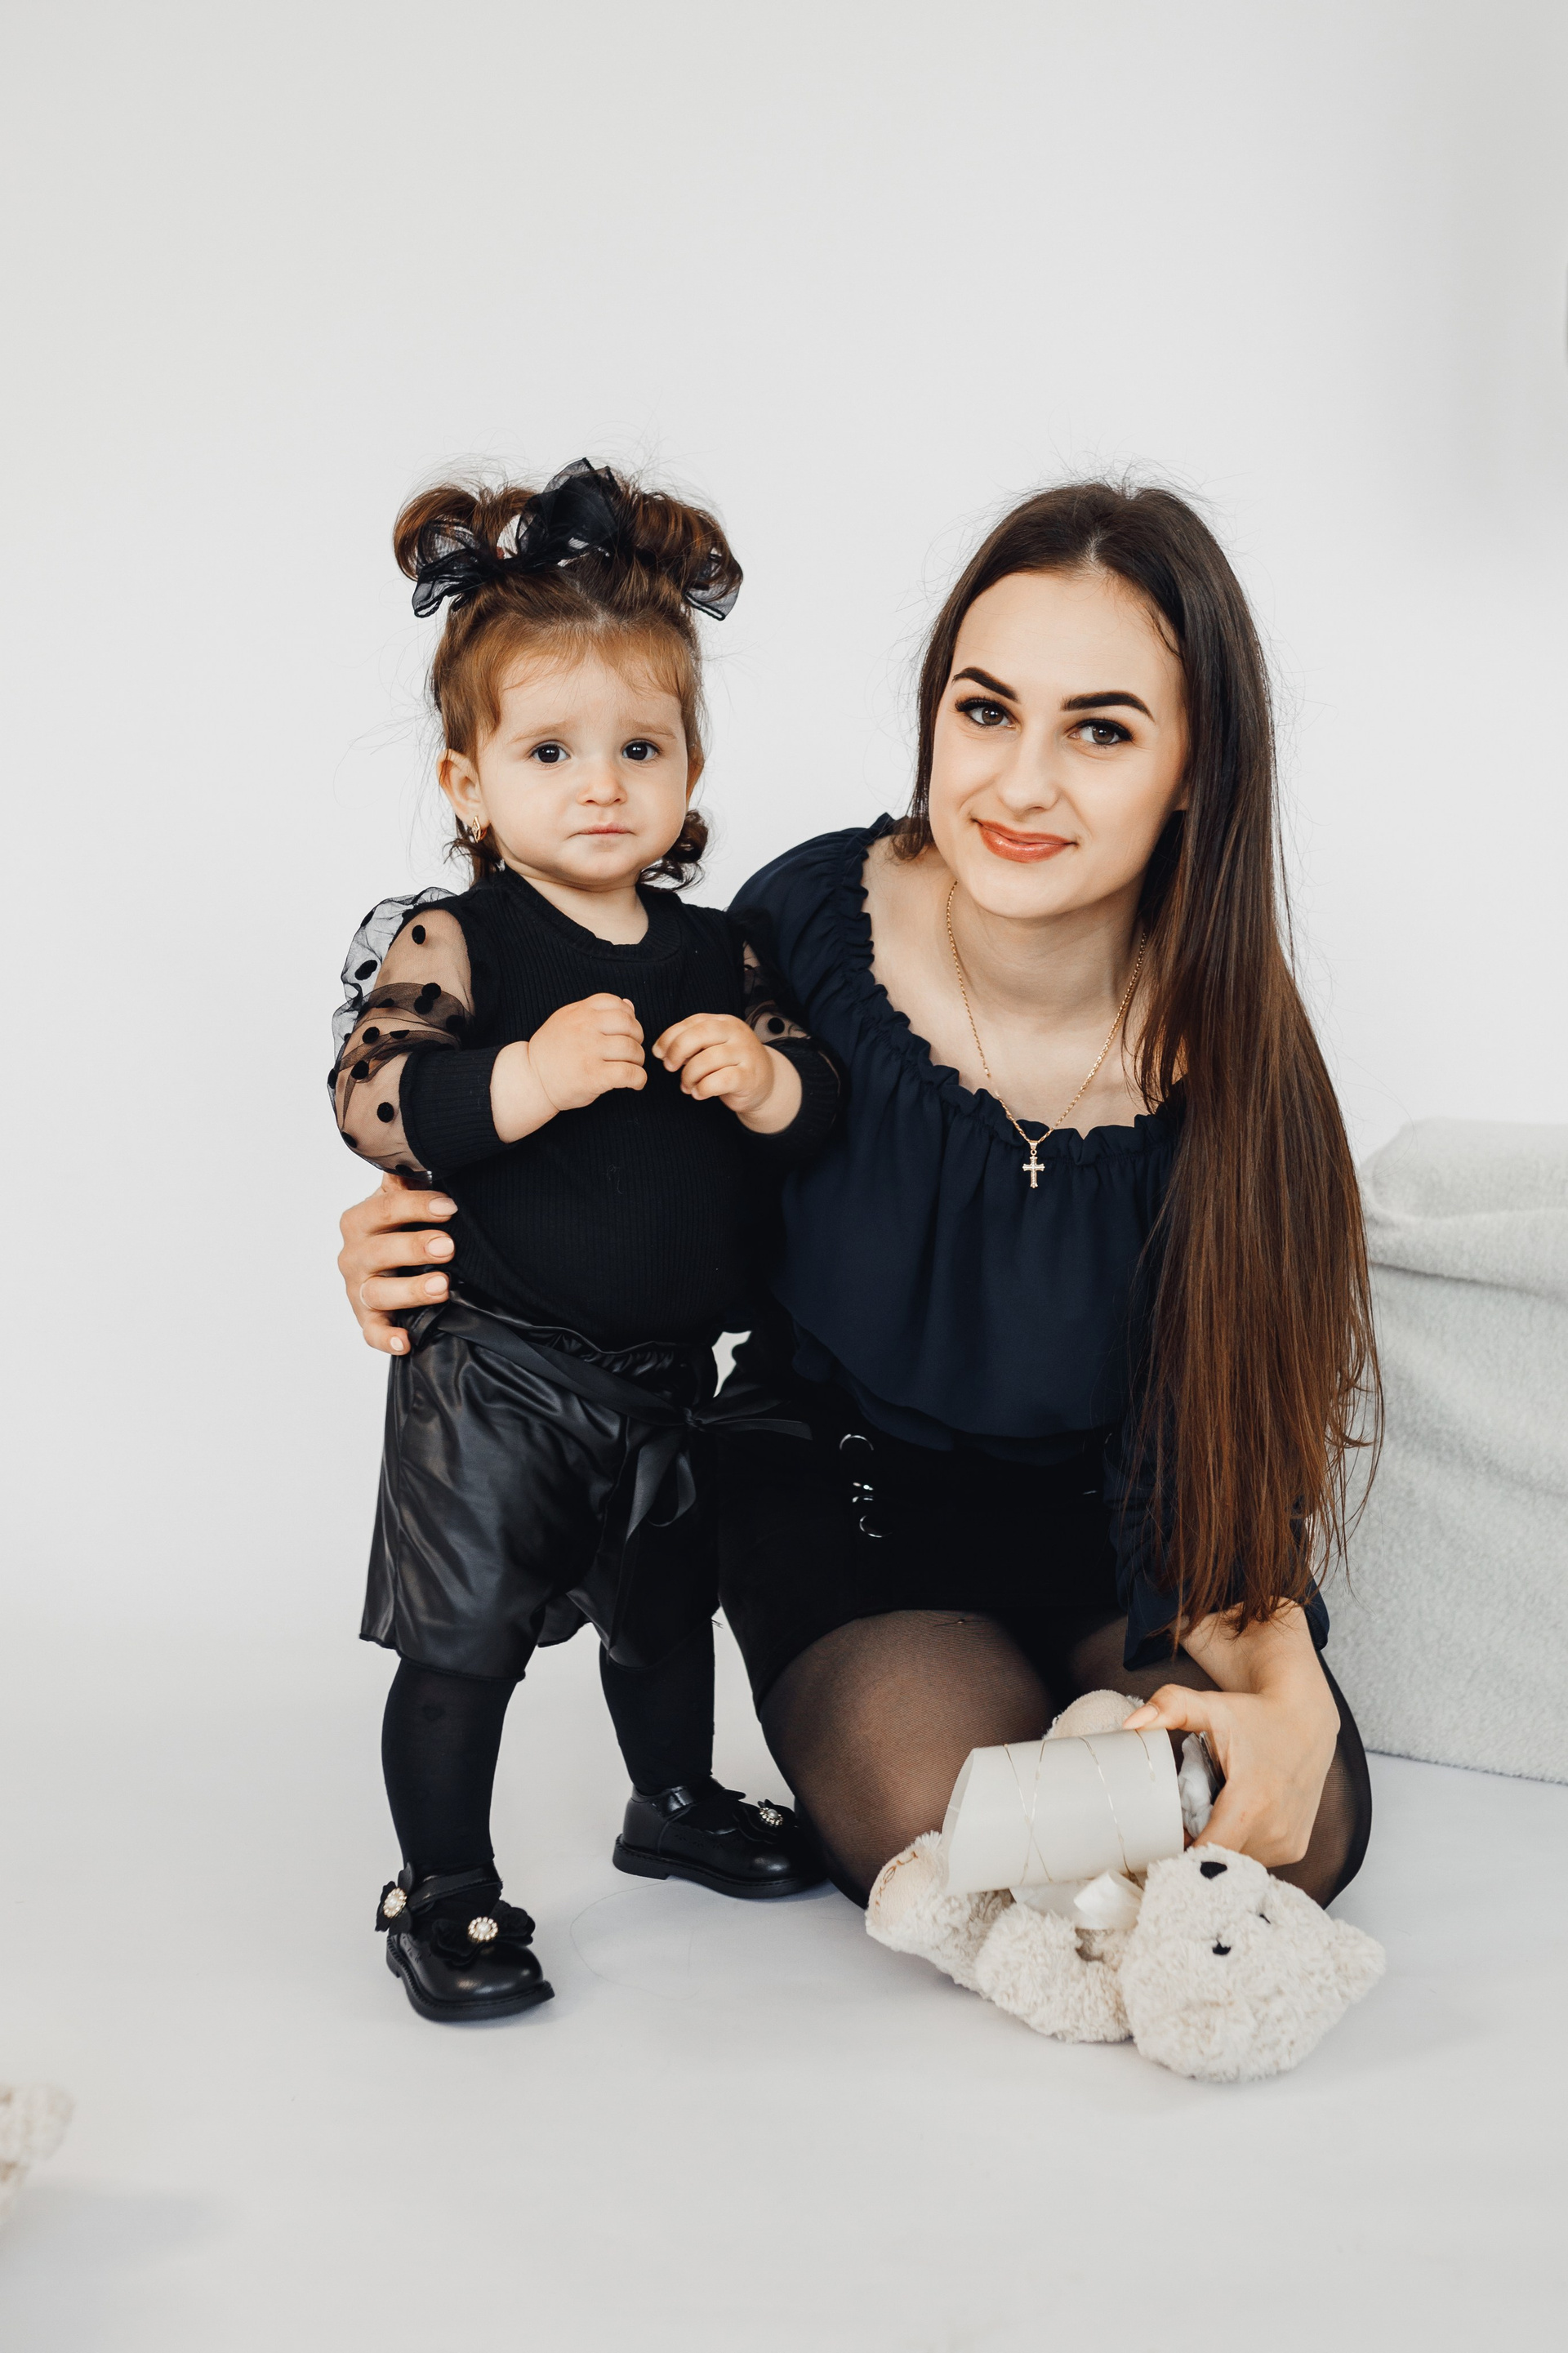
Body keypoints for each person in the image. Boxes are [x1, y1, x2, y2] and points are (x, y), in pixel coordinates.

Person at [340, 477, 1376, 1941]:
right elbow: (598, 1156)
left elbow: (1229, 1434)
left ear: (1198, 767)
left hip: (1131, 1525)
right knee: (937, 1825)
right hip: (851, 1504)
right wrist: (409, 1223)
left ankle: (1132, 1807)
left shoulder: (1244, 1056)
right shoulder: (803, 935)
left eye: (1100, 730)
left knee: (1301, 1831)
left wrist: (1289, 1694)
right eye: (985, 709)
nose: (1021, 784)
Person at [332, 462, 836, 2025]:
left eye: (640, 747)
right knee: (462, 1646)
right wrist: (527, 1078)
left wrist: (769, 1082)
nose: (601, 785)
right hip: (497, 1371)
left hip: (672, 1377)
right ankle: (443, 1883)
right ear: (469, 782)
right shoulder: (461, 939)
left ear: (691, 766)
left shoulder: (719, 950)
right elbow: (374, 1097)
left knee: (666, 1616)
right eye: (550, 750)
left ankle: (670, 1799)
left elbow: (816, 1112)